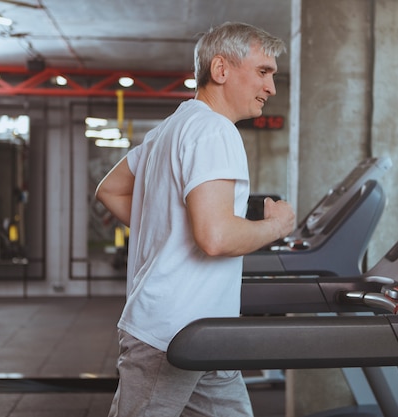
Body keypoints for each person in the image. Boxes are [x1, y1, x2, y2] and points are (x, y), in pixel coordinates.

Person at [95, 22, 295, 417]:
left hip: (206, 332)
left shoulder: (168, 129)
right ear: (220, 70)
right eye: (262, 72)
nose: (271, 87)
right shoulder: (214, 131)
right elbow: (216, 237)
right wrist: (278, 225)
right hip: (170, 332)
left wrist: (169, 228)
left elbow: (110, 189)